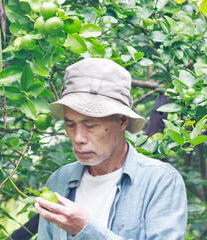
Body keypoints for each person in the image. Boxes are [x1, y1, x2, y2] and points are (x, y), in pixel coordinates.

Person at [34, 58, 187, 239]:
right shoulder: (59, 181)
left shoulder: (160, 182)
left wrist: (86, 229)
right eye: (71, 125)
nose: (78, 138)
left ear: (122, 121)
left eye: (90, 125)